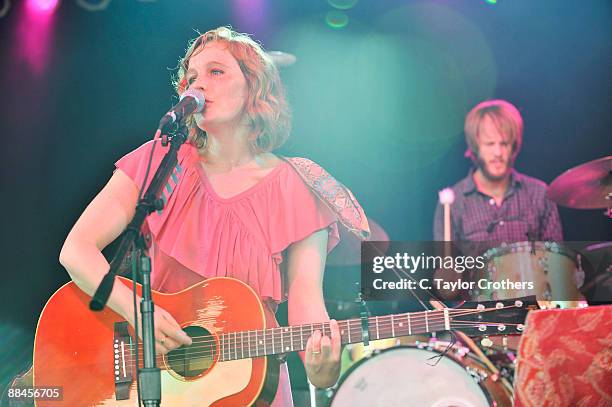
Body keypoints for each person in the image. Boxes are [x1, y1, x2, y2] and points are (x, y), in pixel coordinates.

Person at [58, 26, 369, 406]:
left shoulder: (297, 186)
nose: (198, 85)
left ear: (254, 87)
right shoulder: (159, 161)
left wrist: (322, 368)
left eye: (216, 72)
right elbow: (76, 250)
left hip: (255, 387)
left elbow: (306, 307)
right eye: (191, 77)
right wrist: (138, 315)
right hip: (162, 386)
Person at [434, 99, 563, 243]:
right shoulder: (452, 203)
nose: (498, 152)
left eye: (504, 143)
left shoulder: (539, 193)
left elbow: (556, 260)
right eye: (490, 144)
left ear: (514, 145)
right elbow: (446, 263)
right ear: (475, 147)